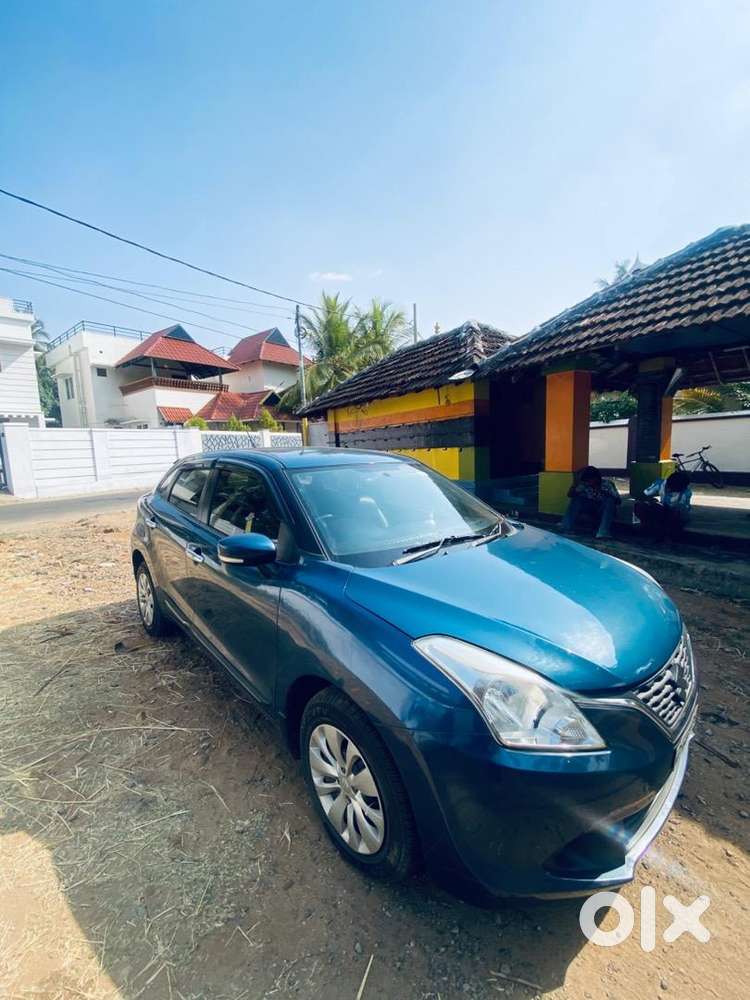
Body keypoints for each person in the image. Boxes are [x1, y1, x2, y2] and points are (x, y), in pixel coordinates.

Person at [560, 466, 621, 539]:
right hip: (590, 509)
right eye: (587, 480)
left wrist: (607, 494)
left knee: (609, 500)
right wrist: (575, 484)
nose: (588, 482)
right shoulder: (584, 485)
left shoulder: (607, 484)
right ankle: (566, 527)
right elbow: (570, 495)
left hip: (602, 510)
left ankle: (603, 532)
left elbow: (618, 501)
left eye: (590, 480)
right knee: (577, 499)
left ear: (596, 478)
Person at [635, 470, 692, 540]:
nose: (670, 491)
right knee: (640, 505)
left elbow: (682, 509)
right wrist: (651, 500)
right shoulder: (660, 483)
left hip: (674, 515)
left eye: (674, 490)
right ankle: (646, 528)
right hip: (661, 511)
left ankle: (666, 532)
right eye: (669, 488)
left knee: (677, 510)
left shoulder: (686, 492)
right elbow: (644, 494)